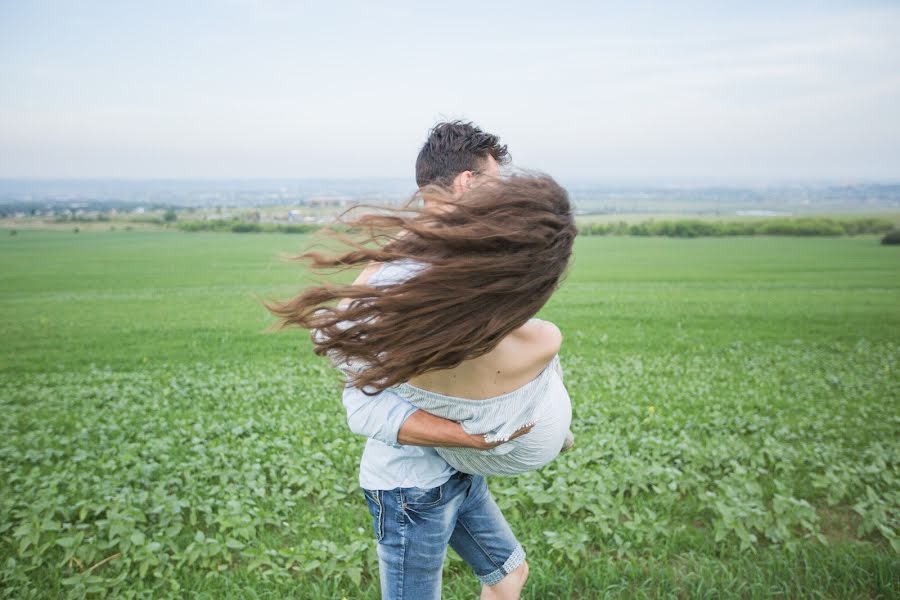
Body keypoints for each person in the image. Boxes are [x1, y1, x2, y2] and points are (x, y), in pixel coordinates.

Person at [264, 121, 576, 599]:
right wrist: (475, 438)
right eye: (496, 186)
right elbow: (361, 404)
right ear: (468, 183)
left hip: (456, 472)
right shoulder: (402, 275)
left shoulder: (464, 263)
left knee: (510, 576)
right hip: (411, 490)